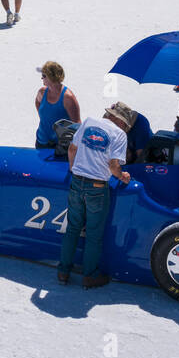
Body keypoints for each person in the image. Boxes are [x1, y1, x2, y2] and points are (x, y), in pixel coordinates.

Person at [56, 102, 134, 288]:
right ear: (122, 122)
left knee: (73, 228)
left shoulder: (89, 121)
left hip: (77, 181)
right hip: (97, 187)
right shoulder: (119, 135)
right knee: (93, 234)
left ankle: (63, 272)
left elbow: (72, 149)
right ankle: (90, 275)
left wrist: (73, 169)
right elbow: (113, 165)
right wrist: (122, 176)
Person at [34, 60, 81, 149]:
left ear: (51, 77)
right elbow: (37, 102)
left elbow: (77, 124)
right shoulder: (42, 92)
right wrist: (44, 119)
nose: (41, 78)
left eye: (44, 76)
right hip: (42, 141)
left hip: (61, 146)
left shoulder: (68, 97)